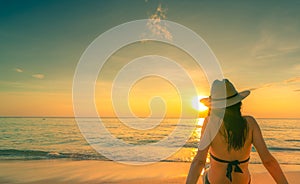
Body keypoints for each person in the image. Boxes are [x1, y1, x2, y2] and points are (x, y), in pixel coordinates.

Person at [186, 79, 288, 184]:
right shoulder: (250, 123)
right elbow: (268, 161)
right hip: (243, 182)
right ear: (237, 103)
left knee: (207, 169)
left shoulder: (210, 123)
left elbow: (199, 161)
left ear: (214, 107)